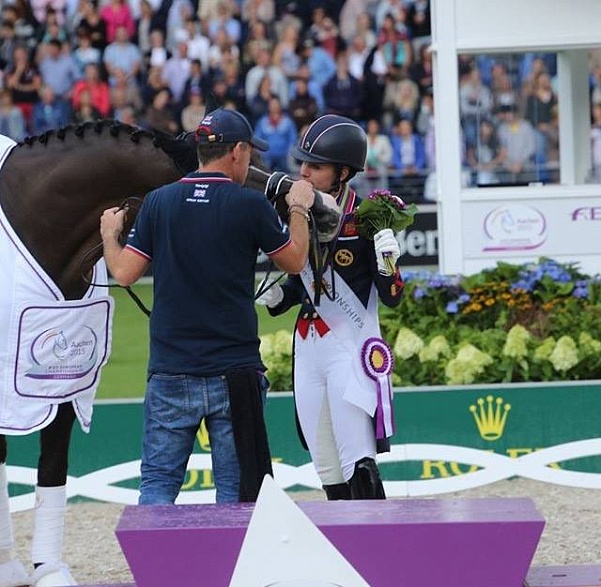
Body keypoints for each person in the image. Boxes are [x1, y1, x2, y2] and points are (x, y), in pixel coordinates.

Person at [100, 107, 315, 504]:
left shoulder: (159, 201)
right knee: (234, 491)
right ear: (236, 151)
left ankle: (156, 567)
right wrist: (299, 206)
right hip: (234, 370)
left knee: (159, 484)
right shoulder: (249, 204)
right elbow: (296, 260)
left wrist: (110, 235)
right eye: (250, 152)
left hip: (171, 367)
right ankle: (228, 567)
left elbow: (125, 273)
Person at [256, 114, 404, 500]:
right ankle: (341, 546)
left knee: (356, 454)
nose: (303, 172)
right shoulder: (297, 208)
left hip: (348, 345)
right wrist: (281, 297)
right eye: (302, 163)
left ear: (342, 172)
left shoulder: (365, 216)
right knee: (324, 460)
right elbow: (301, 276)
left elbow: (392, 295)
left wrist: (388, 260)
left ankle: (375, 541)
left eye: (315, 166)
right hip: (307, 346)